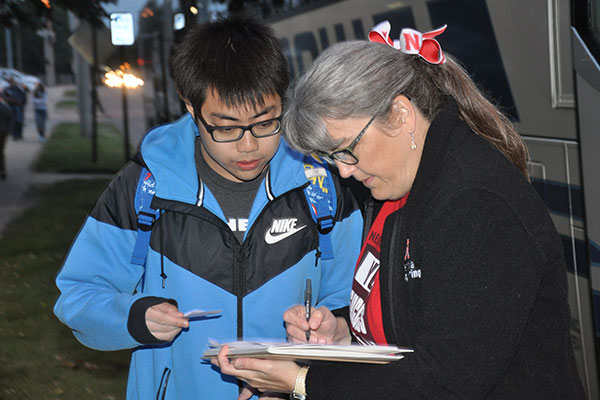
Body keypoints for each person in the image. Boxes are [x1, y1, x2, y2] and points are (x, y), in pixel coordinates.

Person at [212, 22, 586, 399]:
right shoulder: (397, 183)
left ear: (401, 114)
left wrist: (301, 383)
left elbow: (444, 381)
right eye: (330, 157)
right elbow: (409, 325)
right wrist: (342, 333)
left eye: (345, 148)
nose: (343, 170)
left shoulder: (475, 203)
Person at [53, 15, 363, 399]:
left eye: (266, 123)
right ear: (190, 107)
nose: (248, 146)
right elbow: (79, 295)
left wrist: (332, 328)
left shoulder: (323, 187)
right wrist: (135, 316)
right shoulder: (145, 187)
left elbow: (356, 302)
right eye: (226, 127)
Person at [2, 76, 26, 140]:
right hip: (11, 107)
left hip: (19, 106)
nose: (11, 83)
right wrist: (10, 100)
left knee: (19, 121)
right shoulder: (7, 89)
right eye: (10, 81)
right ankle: (14, 135)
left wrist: (21, 102)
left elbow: (24, 96)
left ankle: (19, 133)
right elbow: (4, 96)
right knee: (13, 121)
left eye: (12, 81)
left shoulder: (19, 89)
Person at [0, 93, 12, 180]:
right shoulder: (5, 107)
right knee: (1, 151)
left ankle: (2, 170)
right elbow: (10, 119)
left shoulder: (4, 107)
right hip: (3, 132)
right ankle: (3, 171)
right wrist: (8, 131)